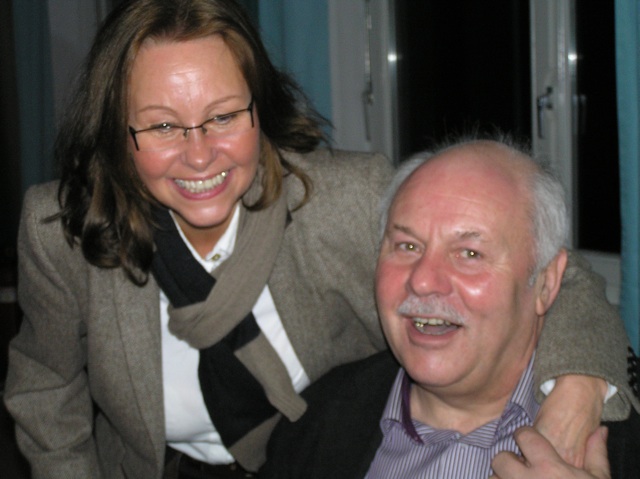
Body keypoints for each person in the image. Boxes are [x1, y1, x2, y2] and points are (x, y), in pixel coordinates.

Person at [3, 0, 635, 477]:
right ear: (116, 131)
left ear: (260, 108)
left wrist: (578, 390)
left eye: (224, 116)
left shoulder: (339, 201)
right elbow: (45, 389)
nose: (199, 155)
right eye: (163, 126)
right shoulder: (62, 232)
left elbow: (552, 274)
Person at [261, 138, 640, 479]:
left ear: (546, 281)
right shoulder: (314, 422)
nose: (424, 280)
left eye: (470, 253)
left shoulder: (623, 447)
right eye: (407, 246)